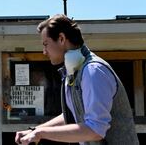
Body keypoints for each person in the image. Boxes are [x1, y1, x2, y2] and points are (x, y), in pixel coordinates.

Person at [15, 14, 138, 145]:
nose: (44, 51)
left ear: (61, 38)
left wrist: (41, 133)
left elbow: (95, 130)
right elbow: (71, 113)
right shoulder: (74, 72)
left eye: (46, 44)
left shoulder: (93, 71)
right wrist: (35, 130)